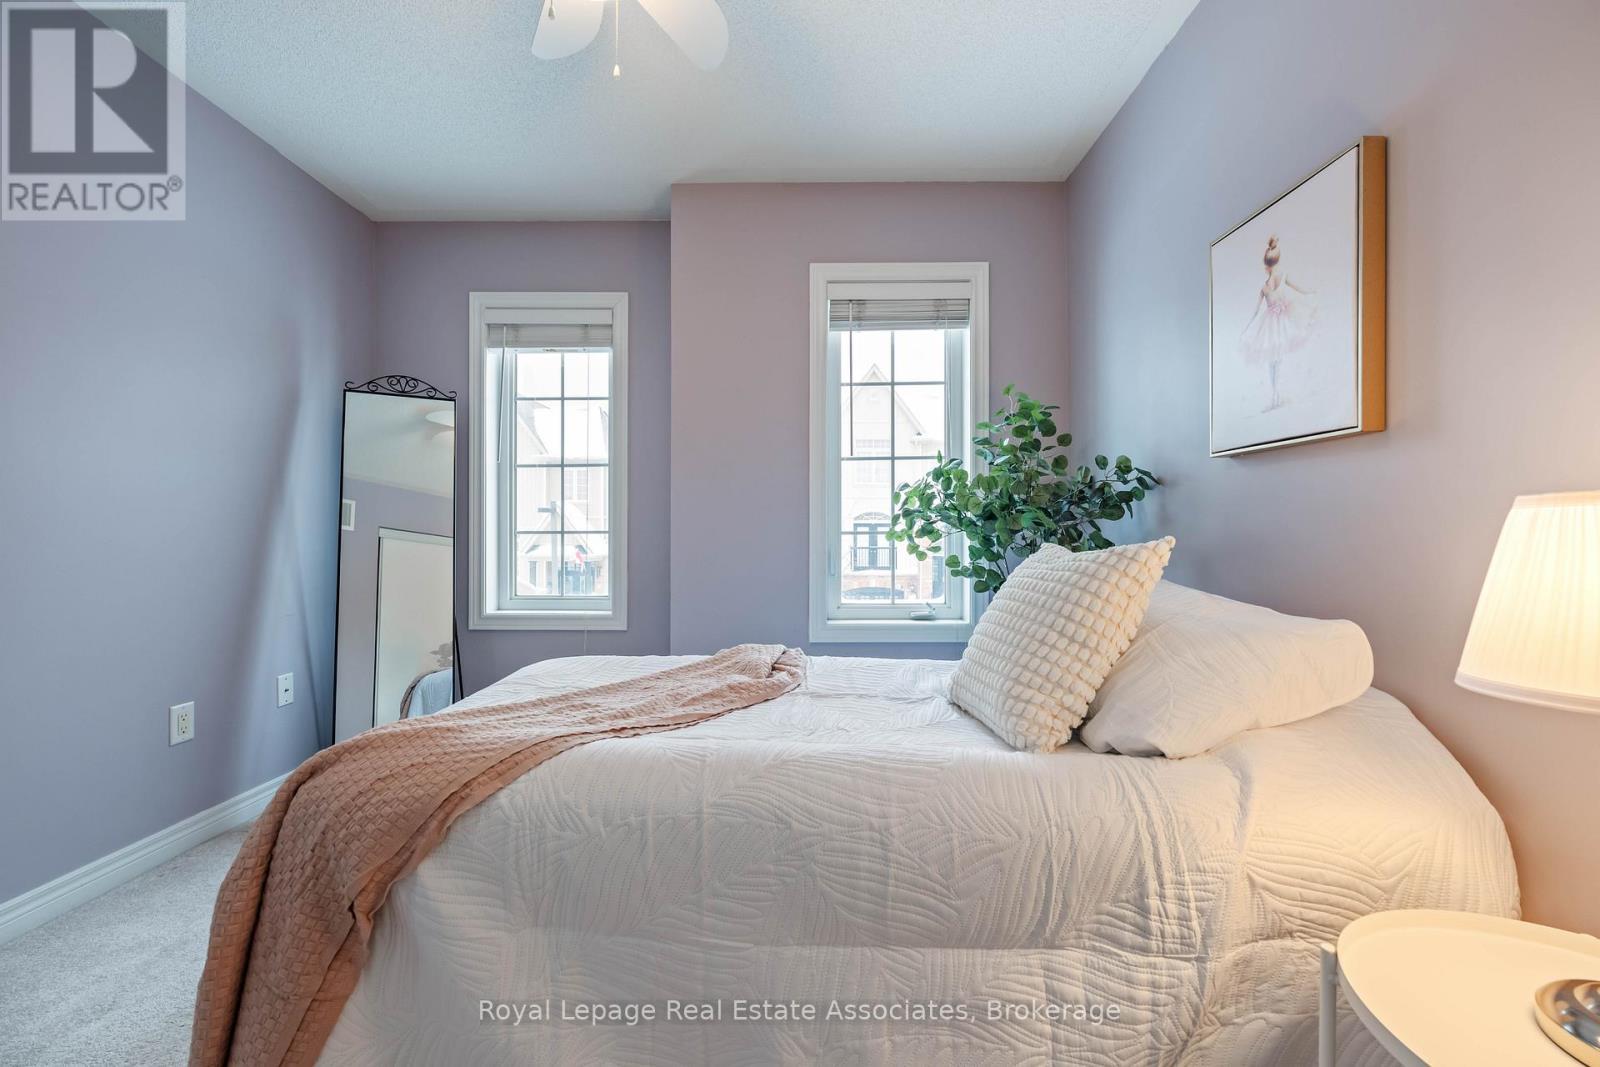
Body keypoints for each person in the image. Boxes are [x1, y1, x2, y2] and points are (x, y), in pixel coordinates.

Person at [1239, 235, 1317, 410]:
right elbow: (1299, 288)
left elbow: (1256, 311)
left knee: (1273, 360)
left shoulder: (1265, 286)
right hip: (1280, 324)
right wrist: (1309, 294)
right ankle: (1277, 393)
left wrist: (1248, 327)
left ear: (1266, 266)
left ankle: (1276, 392)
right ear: (1278, 262)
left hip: (1273, 324)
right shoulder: (1282, 277)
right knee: (1277, 357)